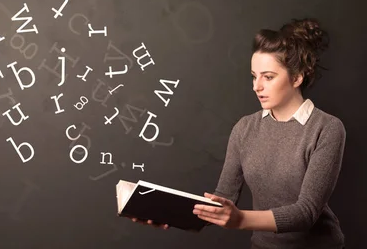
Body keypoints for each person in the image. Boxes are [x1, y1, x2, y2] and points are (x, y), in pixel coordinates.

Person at [132, 18, 346, 248]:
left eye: (268, 76)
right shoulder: (244, 129)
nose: (256, 86)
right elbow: (223, 202)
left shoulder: (327, 128)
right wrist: (167, 214)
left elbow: (306, 212)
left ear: (296, 77)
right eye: (254, 76)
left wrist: (241, 219)